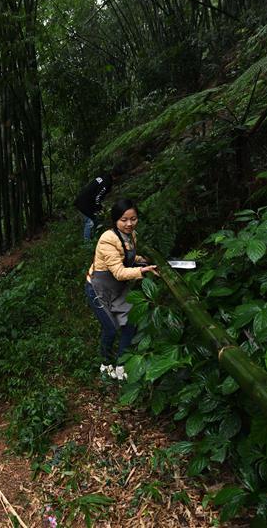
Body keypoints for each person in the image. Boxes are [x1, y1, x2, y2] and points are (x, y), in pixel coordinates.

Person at [85, 199, 157, 380]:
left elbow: (127, 256)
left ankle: (121, 365)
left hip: (118, 288)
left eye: (133, 219)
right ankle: (105, 363)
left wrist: (142, 260)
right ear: (115, 220)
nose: (129, 224)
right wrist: (141, 271)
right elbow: (118, 271)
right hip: (99, 288)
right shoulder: (107, 239)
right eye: (124, 219)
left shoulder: (132, 235)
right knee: (110, 328)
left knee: (129, 323)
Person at [74, 163, 125, 241]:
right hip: (83, 203)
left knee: (96, 221)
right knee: (89, 222)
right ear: (118, 176)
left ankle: (95, 238)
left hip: (85, 201)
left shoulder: (104, 176)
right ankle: (87, 244)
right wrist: (99, 208)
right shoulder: (106, 182)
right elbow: (97, 197)